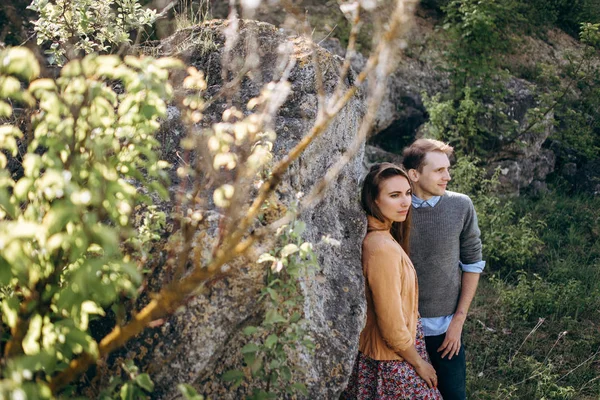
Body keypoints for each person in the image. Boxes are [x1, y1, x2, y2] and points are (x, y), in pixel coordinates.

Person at [342, 163, 443, 400]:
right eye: (394, 195)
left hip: (394, 354)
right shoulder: (380, 248)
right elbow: (391, 322)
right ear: (374, 200)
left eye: (408, 193)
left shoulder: (384, 238)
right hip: (392, 361)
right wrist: (419, 363)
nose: (405, 202)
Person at [402, 138, 485, 400]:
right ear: (414, 175)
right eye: (439, 171)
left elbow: (473, 263)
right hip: (401, 330)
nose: (447, 177)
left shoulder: (461, 205)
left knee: (452, 395)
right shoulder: (394, 208)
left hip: (446, 330)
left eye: (447, 169)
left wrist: (458, 321)